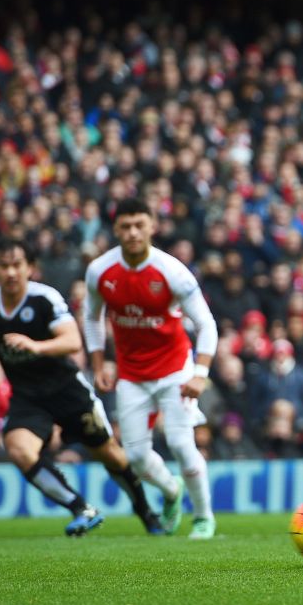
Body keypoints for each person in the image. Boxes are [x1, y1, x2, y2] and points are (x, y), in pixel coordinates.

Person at [0, 239, 162, 536]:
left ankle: (145, 510)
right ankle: (81, 508)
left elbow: (72, 341)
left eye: (17, 265)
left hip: (67, 390)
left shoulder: (44, 298)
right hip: (28, 396)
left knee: (110, 455)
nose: (12, 272)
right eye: (4, 265)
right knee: (18, 449)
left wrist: (36, 346)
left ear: (30, 268)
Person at [85, 197, 220, 539]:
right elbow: (91, 317)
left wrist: (200, 373)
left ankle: (203, 517)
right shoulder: (100, 271)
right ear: (115, 229)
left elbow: (207, 324)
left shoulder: (172, 271)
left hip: (176, 370)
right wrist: (99, 362)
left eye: (138, 225)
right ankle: (172, 491)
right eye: (125, 226)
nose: (132, 233)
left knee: (180, 443)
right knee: (136, 457)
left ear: (152, 227)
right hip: (132, 376)